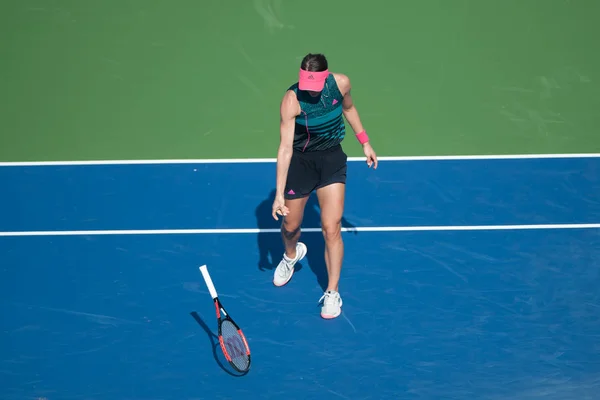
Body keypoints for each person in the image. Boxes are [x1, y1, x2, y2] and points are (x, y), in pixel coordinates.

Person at [271, 53, 378, 319]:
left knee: (331, 228)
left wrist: (364, 142)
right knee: (291, 226)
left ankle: (332, 292)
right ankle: (291, 255)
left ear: (325, 77)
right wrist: (279, 194)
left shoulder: (340, 84)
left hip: (331, 160)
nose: (308, 90)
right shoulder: (291, 100)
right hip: (301, 164)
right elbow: (285, 148)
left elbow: (349, 109)